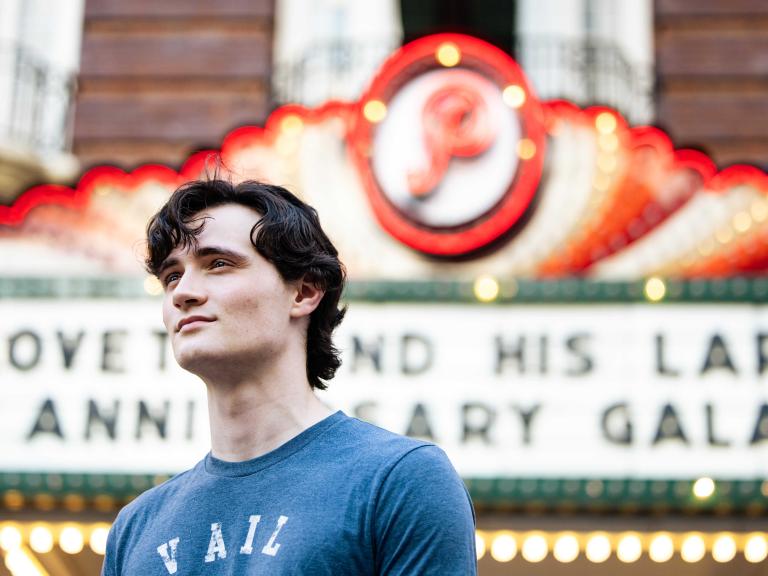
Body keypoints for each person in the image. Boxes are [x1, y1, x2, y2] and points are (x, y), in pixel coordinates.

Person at [102, 178, 477, 575]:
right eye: (172, 276)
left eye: (218, 264)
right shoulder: (135, 527)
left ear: (303, 292)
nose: (183, 292)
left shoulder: (400, 481)